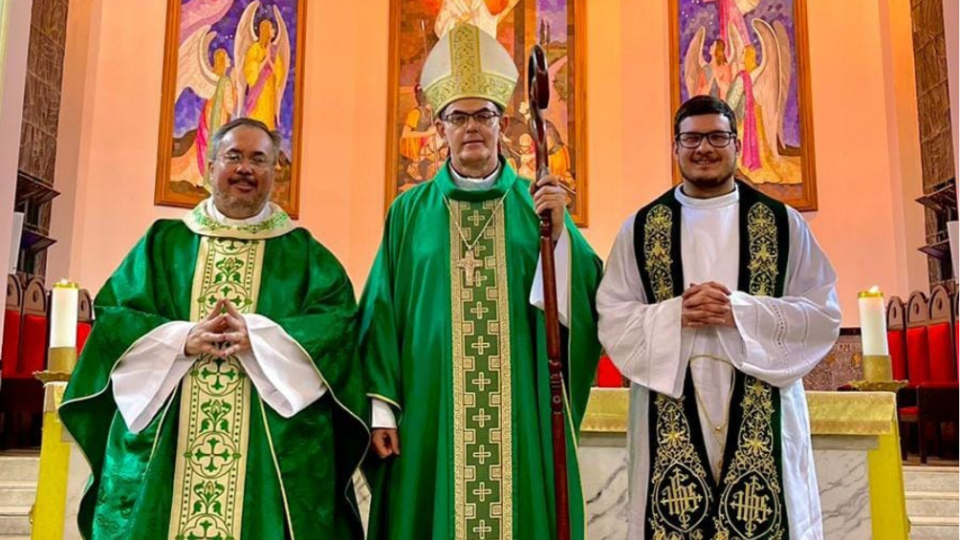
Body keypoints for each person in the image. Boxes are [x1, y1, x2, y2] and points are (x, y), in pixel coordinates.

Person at [60, 118, 369, 540]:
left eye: (259, 159)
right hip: (171, 432)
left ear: (275, 173)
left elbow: (336, 326)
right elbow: (116, 317)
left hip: (268, 442)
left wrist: (258, 339)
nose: (245, 168)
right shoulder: (162, 243)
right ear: (209, 167)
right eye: (234, 156)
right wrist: (179, 340)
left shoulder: (306, 255)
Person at [361, 23, 603, 540]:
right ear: (439, 128)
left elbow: (582, 298)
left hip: (518, 404)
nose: (472, 127)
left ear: (503, 124)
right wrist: (382, 409)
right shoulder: (409, 211)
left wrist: (561, 236)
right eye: (459, 117)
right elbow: (380, 308)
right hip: (430, 406)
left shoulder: (536, 207)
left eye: (484, 115)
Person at [597, 95, 840, 540]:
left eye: (716, 136)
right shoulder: (640, 228)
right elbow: (612, 314)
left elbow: (822, 311)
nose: (703, 148)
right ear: (675, 147)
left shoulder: (782, 223)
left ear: (736, 143)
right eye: (691, 138)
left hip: (760, 392)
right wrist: (675, 316)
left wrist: (740, 312)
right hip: (669, 393)